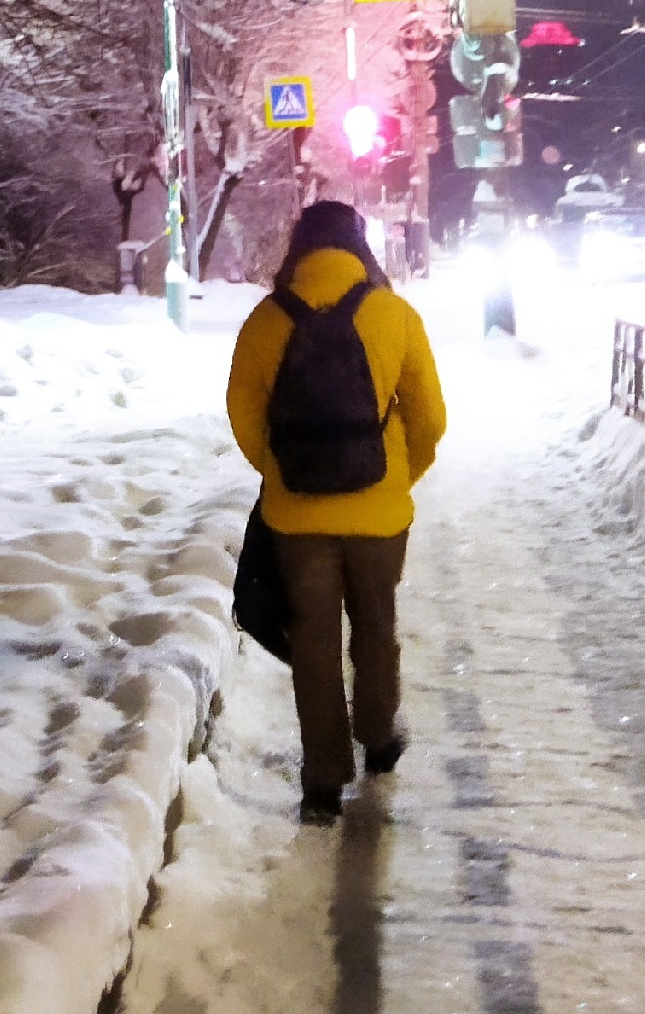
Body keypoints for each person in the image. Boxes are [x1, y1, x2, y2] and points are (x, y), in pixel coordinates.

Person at [226, 199, 447, 822]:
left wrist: (281, 473)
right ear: (359, 247)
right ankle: (378, 738)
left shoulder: (266, 321)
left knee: (315, 641)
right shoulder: (394, 315)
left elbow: (245, 415)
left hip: (297, 518)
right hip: (378, 515)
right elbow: (430, 418)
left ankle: (323, 779)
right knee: (376, 626)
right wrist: (400, 474)